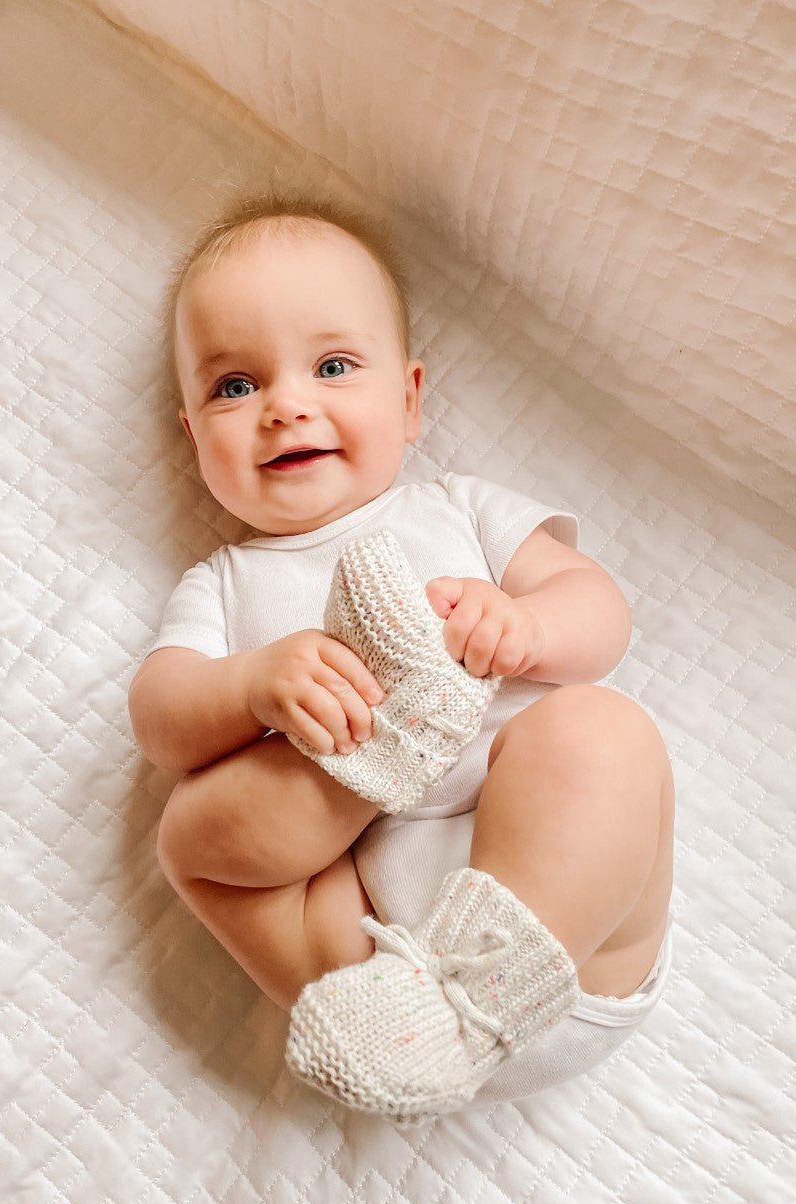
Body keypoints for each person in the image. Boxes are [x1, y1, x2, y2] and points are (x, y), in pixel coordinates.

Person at [128, 191, 674, 1122]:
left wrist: (529, 626)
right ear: (191, 435)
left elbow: (601, 612)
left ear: (410, 400)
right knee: (190, 831)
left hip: (557, 941)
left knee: (598, 730)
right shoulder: (224, 582)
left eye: (333, 365)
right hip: (365, 966)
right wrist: (254, 685)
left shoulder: (457, 510)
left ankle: (470, 996)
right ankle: (388, 747)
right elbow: (162, 718)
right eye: (233, 386)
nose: (285, 405)